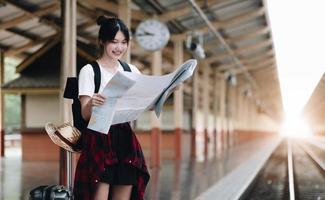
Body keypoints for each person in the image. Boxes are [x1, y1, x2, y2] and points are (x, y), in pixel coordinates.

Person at [73, 16, 150, 200]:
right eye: (114, 42)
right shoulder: (90, 71)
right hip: (99, 139)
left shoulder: (131, 70)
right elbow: (84, 114)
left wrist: (169, 88)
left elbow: (145, 100)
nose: (119, 47)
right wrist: (92, 103)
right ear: (102, 41)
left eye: (124, 42)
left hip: (125, 140)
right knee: (98, 194)